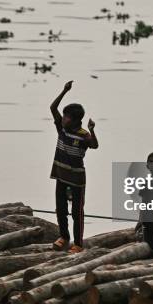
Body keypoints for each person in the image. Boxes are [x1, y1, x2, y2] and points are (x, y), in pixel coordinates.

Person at [49, 81, 99, 254]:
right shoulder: (61, 129)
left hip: (76, 178)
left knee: (77, 212)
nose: (63, 119)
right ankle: (64, 236)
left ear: (76, 120)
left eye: (67, 117)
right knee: (60, 209)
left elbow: (94, 145)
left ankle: (78, 243)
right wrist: (64, 91)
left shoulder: (83, 135)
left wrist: (92, 130)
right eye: (63, 116)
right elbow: (52, 107)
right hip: (61, 174)